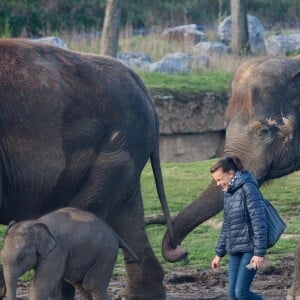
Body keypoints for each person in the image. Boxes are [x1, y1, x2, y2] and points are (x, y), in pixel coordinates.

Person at [210, 156, 267, 300]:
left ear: (231, 173)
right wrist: (219, 254)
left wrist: (259, 253)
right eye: (216, 180)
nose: (217, 184)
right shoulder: (228, 192)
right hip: (234, 248)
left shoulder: (248, 187)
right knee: (233, 295)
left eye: (219, 179)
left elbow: (259, 220)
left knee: (241, 294)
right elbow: (227, 225)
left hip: (250, 249)